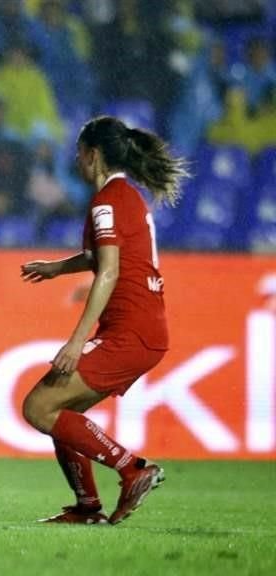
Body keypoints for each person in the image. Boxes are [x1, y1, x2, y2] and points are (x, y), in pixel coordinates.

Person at [19, 115, 188, 525]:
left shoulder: (107, 202)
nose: (76, 162)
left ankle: (133, 469)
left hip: (131, 332)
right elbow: (100, 258)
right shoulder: (123, 197)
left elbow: (109, 271)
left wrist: (76, 342)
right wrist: (58, 268)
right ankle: (87, 507)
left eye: (78, 154)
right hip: (141, 330)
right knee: (61, 412)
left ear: (92, 156)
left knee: (38, 407)